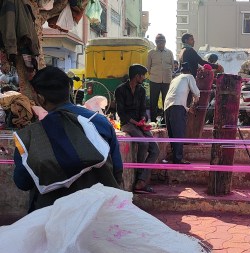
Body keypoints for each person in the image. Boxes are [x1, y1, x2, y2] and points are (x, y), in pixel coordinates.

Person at [13, 66, 123, 213]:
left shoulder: (31, 137)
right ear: (69, 90)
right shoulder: (101, 123)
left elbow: (22, 182)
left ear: (40, 98)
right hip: (97, 214)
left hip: (51, 218)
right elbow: (117, 171)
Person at [115, 64, 160, 193]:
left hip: (139, 124)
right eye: (143, 76)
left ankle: (141, 180)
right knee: (144, 143)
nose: (144, 78)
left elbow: (142, 109)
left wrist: (143, 119)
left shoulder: (141, 90)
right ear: (137, 76)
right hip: (127, 124)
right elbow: (121, 112)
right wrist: (136, 122)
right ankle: (139, 180)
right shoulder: (120, 90)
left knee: (155, 150)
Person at [164, 62, 200, 164]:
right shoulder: (189, 76)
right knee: (178, 133)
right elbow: (196, 93)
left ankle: (174, 156)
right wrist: (194, 104)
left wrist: (188, 109)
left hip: (167, 106)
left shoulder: (175, 79)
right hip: (177, 107)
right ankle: (178, 158)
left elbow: (178, 96)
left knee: (172, 134)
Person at [147, 34, 174, 123]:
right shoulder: (151, 53)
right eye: (159, 42)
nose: (161, 44)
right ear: (156, 43)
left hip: (167, 80)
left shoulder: (169, 52)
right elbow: (148, 67)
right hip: (154, 80)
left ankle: (166, 120)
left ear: (165, 42)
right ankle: (153, 120)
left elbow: (172, 67)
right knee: (153, 101)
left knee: (166, 100)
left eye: (162, 42)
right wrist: (153, 75)